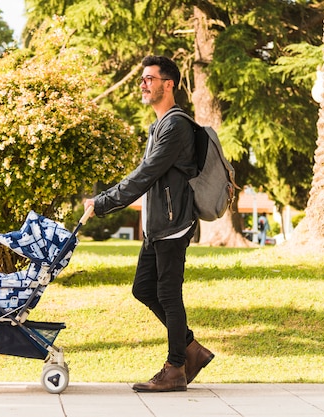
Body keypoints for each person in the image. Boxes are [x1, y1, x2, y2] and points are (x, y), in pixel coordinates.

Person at [83, 55, 214, 392]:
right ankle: (191, 349)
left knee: (169, 295)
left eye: (150, 79)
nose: (143, 84)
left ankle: (175, 369)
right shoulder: (159, 125)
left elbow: (145, 175)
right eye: (142, 79)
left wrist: (103, 202)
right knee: (143, 288)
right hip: (158, 224)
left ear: (168, 84)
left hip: (174, 224)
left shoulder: (175, 126)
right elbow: (146, 176)